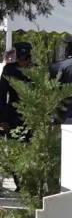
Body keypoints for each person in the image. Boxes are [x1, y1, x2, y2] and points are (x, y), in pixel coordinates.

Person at [0, 42, 34, 192]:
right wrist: (2, 119)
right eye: (20, 58)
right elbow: (2, 95)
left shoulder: (35, 70)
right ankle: (19, 183)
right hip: (13, 116)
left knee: (32, 150)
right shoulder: (9, 70)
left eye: (25, 58)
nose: (23, 62)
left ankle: (29, 183)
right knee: (15, 151)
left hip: (32, 117)